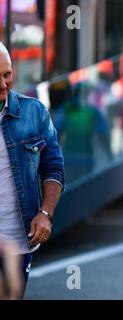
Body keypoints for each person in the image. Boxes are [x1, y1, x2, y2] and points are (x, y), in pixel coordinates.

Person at [0, 43, 64, 298]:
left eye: (7, 74)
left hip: (16, 241)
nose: (4, 84)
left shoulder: (34, 112)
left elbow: (54, 167)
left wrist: (45, 213)